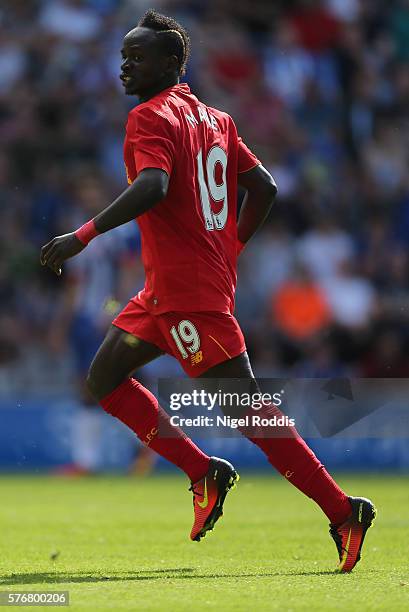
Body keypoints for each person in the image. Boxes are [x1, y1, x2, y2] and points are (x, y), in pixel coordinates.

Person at [40, 9, 375, 571]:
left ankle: (344, 510)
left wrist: (83, 235)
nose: (125, 65)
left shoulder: (148, 118)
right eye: (123, 54)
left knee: (248, 409)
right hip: (164, 291)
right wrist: (231, 247)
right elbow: (262, 188)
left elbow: (154, 185)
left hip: (188, 293)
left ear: (171, 64)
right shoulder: (215, 119)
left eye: (138, 56)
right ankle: (204, 472)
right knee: (102, 379)